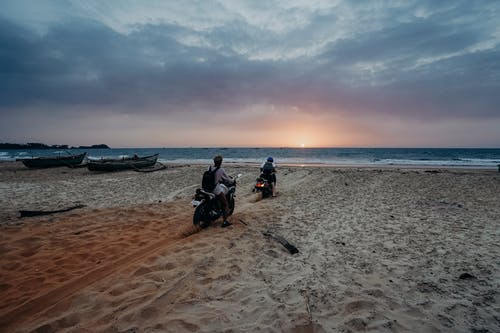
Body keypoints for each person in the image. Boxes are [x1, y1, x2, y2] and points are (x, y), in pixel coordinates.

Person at [209, 155, 235, 227]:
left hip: (207, 187)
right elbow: (227, 179)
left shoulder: (210, 167)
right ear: (221, 162)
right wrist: (232, 180)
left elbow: (214, 177)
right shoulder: (221, 170)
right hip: (215, 188)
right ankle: (225, 222)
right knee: (225, 204)